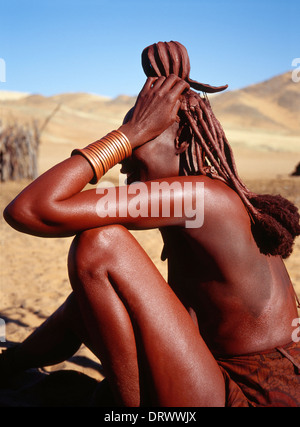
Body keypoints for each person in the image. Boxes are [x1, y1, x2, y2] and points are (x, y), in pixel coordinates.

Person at [1, 41, 300, 407]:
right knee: (93, 301)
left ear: (184, 141)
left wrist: (127, 134)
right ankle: (10, 365)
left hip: (253, 397)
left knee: (101, 246)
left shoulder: (200, 199)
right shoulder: (204, 199)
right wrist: (13, 364)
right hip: (218, 376)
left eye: (143, 139)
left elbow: (30, 209)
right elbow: (76, 312)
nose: (123, 163)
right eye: (131, 141)